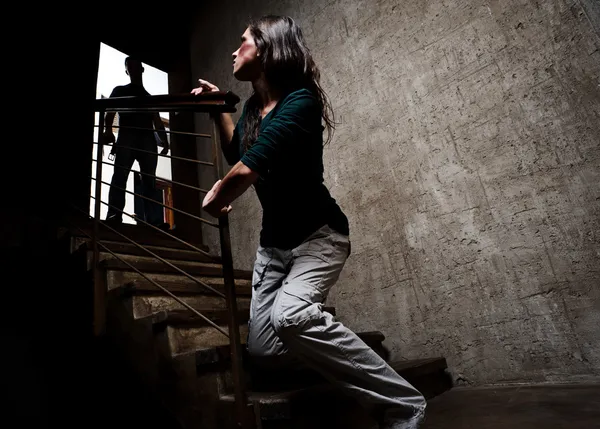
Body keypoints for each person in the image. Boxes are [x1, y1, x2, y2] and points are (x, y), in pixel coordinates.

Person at [192, 16, 427, 429]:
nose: (234, 51)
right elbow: (237, 153)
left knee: (291, 318)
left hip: (319, 236)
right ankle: (327, 343)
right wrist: (219, 109)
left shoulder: (300, 101)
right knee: (264, 351)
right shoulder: (250, 108)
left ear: (265, 48)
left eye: (242, 42)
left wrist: (215, 197)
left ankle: (404, 405)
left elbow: (247, 170)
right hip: (274, 246)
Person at [103, 57, 169, 229]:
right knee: (120, 177)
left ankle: (153, 221)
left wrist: (165, 141)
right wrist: (108, 131)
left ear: (141, 69)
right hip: (128, 137)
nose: (132, 69)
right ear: (127, 71)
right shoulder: (119, 91)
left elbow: (157, 122)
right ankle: (114, 215)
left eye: (135, 65)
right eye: (129, 66)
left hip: (145, 139)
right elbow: (109, 112)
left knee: (149, 182)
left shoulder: (148, 97)